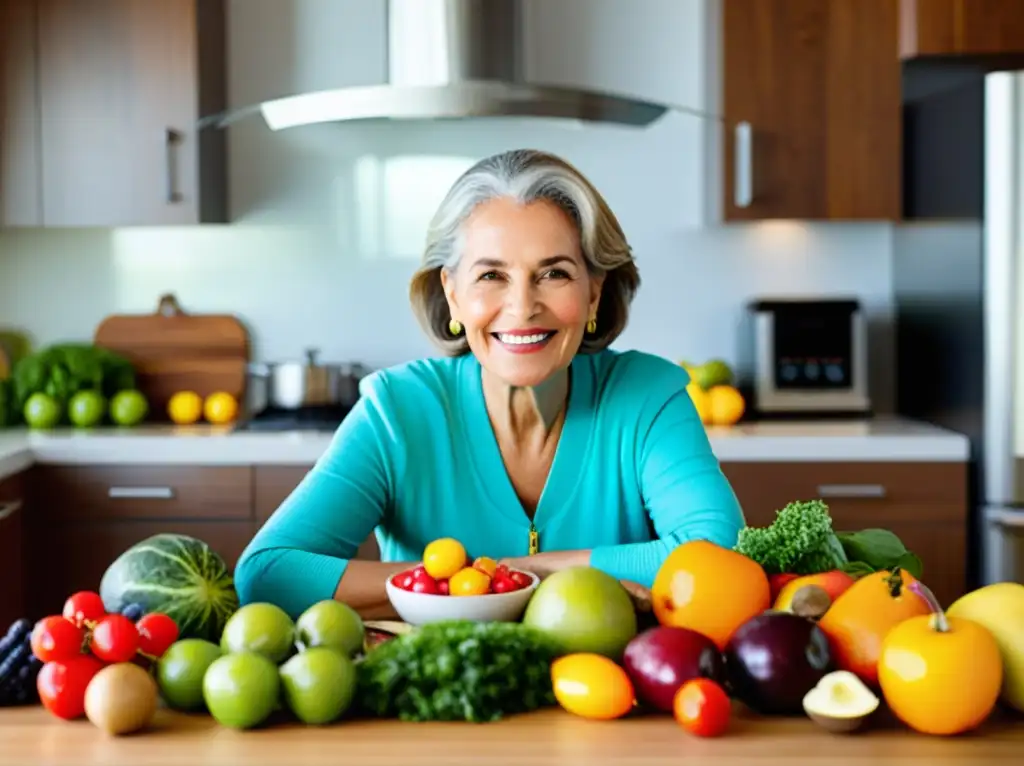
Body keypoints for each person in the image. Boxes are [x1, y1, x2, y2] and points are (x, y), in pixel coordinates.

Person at [234, 148, 745, 620]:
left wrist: (524, 573)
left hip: (616, 704)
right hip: (435, 710)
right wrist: (484, 583)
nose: (522, 307)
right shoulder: (397, 411)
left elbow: (719, 552)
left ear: (594, 294)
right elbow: (268, 574)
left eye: (554, 273)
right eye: (491, 276)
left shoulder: (648, 397)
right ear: (452, 295)